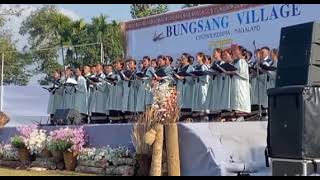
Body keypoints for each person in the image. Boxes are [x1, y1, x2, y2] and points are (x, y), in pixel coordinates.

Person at [230, 46, 251, 119]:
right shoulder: (237, 61)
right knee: (236, 98)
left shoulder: (242, 61)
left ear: (240, 51)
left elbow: (243, 73)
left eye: (236, 50)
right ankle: (237, 114)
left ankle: (241, 115)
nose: (234, 51)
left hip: (241, 83)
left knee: (240, 98)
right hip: (236, 82)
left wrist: (233, 72)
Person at [174, 53, 194, 121]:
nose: (182, 60)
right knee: (180, 106)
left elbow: (192, 79)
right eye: (181, 58)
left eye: (183, 58)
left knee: (187, 106)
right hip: (180, 87)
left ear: (187, 59)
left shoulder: (191, 67)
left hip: (187, 87)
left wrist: (185, 78)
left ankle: (188, 120)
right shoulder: (179, 68)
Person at [192, 52, 210, 121]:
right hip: (197, 85)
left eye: (197, 57)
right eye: (196, 56)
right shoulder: (196, 67)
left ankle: (204, 115)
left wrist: (199, 76)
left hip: (202, 86)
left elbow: (206, 77)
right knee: (197, 100)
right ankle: (198, 114)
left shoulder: (203, 66)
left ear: (201, 57)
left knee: (203, 99)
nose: (196, 58)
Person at [206, 48, 223, 120]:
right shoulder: (214, 63)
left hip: (219, 82)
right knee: (213, 99)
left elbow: (223, 72)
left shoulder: (222, 62)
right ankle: (213, 113)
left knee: (218, 98)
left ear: (219, 53)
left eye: (215, 52)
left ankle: (219, 114)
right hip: (214, 82)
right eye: (213, 52)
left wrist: (217, 72)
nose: (213, 54)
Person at [219, 48, 234, 120]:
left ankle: (231, 116)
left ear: (230, 55)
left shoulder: (234, 63)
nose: (224, 56)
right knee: (225, 99)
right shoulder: (224, 64)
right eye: (223, 55)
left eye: (225, 55)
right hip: (225, 84)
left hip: (232, 84)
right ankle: (225, 116)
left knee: (230, 100)